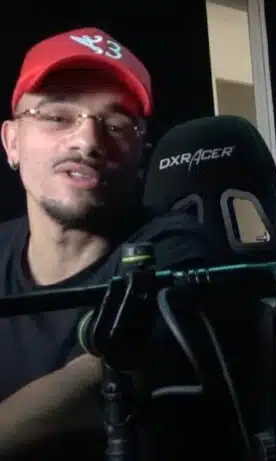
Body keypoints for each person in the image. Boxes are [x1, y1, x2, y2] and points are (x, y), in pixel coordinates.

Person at [0, 28, 214, 460]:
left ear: (141, 156)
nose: (88, 142)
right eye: (57, 116)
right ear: (12, 142)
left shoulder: (175, 249)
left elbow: (103, 379)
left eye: (116, 125)